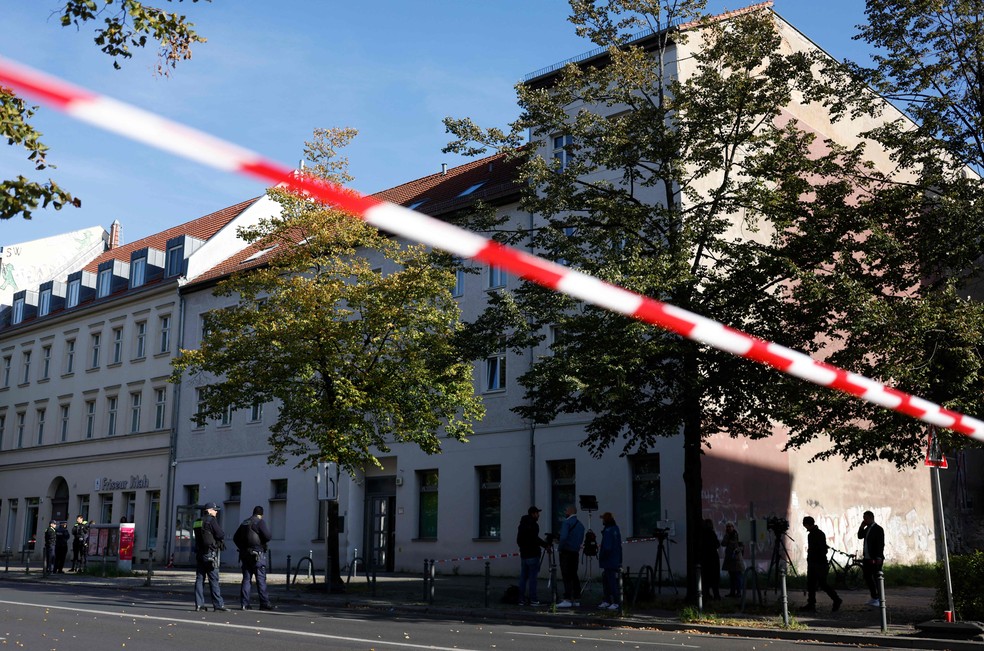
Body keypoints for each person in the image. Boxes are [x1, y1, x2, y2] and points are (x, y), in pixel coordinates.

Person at [235, 505, 274, 611]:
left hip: (245, 555)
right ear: (261, 514)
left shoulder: (245, 522)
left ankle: (244, 604)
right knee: (261, 579)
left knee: (246, 579)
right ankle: (264, 603)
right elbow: (268, 536)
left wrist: (243, 548)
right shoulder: (259, 522)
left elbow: (235, 538)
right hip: (257, 555)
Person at [801, 516, 841, 612]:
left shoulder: (813, 535)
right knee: (814, 584)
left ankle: (836, 600)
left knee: (819, 584)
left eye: (805, 526)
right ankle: (812, 604)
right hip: (819, 563)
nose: (805, 528)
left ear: (807, 525)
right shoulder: (819, 533)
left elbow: (818, 549)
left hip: (816, 563)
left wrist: (812, 559)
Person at [193, 502, 227, 612]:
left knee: (199, 579)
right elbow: (220, 534)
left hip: (200, 553)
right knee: (213, 579)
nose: (216, 511)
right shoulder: (211, 520)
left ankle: (199, 604)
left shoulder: (197, 521)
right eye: (215, 509)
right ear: (209, 510)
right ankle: (218, 605)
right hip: (210, 554)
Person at [516, 506, 547, 606]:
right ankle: (533, 599)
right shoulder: (534, 525)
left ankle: (521, 599)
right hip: (533, 554)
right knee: (533, 578)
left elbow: (519, 540)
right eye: (537, 513)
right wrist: (545, 545)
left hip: (524, 555)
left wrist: (523, 548)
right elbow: (535, 539)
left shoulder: (522, 524)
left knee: (523, 577)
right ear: (533, 514)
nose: (538, 515)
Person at [556, 504, 585, 608]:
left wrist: (560, 548)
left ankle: (567, 598)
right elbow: (581, 539)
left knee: (566, 575)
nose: (565, 512)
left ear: (570, 511)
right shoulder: (581, 525)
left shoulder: (566, 523)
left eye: (566, 510)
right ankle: (577, 598)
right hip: (575, 552)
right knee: (574, 574)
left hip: (566, 552)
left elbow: (563, 537)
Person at [857, 510, 885, 607]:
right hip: (867, 558)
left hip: (875, 558)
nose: (864, 520)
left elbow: (880, 544)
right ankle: (874, 597)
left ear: (870, 518)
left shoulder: (878, 529)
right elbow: (860, 536)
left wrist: (878, 557)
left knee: (877, 578)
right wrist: (861, 526)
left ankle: (880, 599)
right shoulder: (867, 528)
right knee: (867, 577)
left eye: (865, 518)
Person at [597, 512, 622, 611]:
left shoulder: (607, 531)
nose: (602, 521)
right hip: (615, 558)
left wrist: (602, 556)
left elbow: (607, 547)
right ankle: (608, 600)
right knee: (608, 580)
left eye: (603, 519)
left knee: (610, 581)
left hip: (609, 560)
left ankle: (615, 602)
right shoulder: (616, 529)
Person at [699, 519, 721, 600]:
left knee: (705, 578)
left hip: (704, 558)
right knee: (714, 578)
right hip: (713, 558)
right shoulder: (711, 533)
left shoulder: (701, 534)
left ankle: (706, 594)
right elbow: (717, 544)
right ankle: (716, 595)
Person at [722, 522, 745, 597]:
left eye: (730, 526)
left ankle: (739, 592)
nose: (728, 528)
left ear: (733, 527)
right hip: (729, 559)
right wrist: (727, 536)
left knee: (737, 576)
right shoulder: (727, 536)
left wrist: (737, 550)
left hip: (736, 559)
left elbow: (742, 546)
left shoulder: (737, 535)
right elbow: (723, 544)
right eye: (727, 527)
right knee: (731, 577)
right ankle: (732, 592)